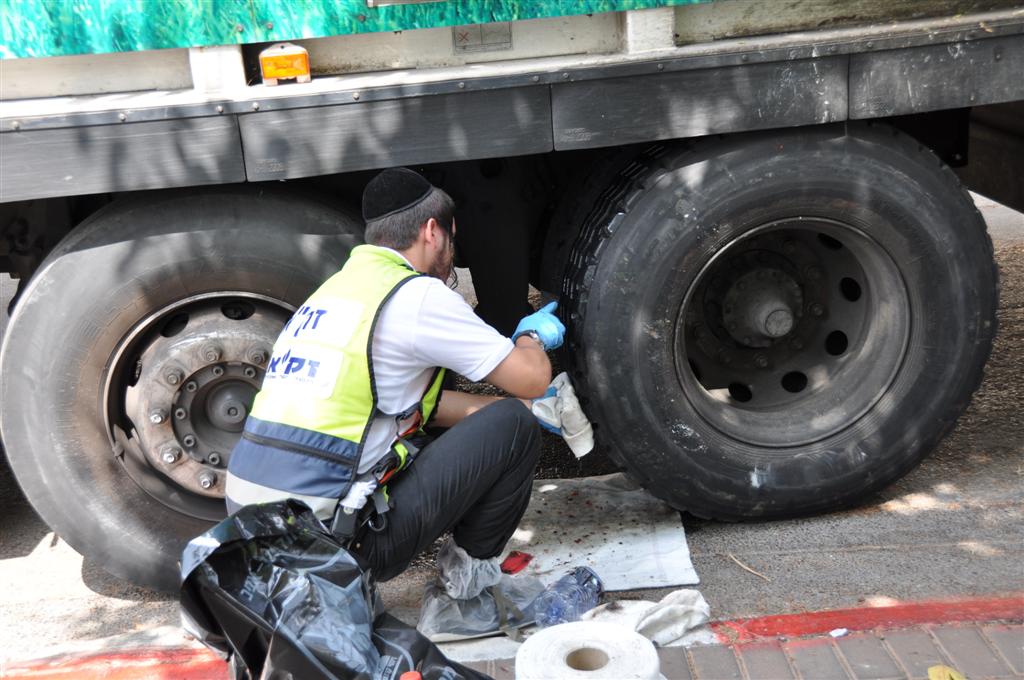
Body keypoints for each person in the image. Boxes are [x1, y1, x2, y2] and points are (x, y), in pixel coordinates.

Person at [225, 167, 591, 592]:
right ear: (433, 232)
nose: (452, 255)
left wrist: (536, 407)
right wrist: (531, 336)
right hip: (334, 550)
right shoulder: (416, 296)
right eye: (453, 242)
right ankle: (467, 595)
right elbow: (529, 378)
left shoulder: (335, 293)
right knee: (517, 429)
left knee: (502, 418)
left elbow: (415, 408)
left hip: (257, 536)